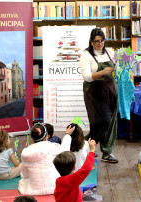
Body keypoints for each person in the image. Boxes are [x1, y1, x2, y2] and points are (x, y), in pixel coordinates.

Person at [80, 28, 118, 163]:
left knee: (111, 122)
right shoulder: (86, 55)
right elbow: (87, 77)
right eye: (96, 41)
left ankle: (107, 152)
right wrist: (102, 72)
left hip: (111, 90)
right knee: (101, 122)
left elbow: (116, 69)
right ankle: (84, 145)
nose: (100, 44)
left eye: (102, 41)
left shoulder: (109, 52)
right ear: (91, 41)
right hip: (94, 92)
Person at [18, 123, 75, 195]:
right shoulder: (52, 146)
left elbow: (25, 174)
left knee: (23, 179)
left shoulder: (26, 152)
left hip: (34, 190)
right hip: (55, 187)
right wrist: (67, 134)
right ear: (46, 137)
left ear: (32, 138)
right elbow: (65, 150)